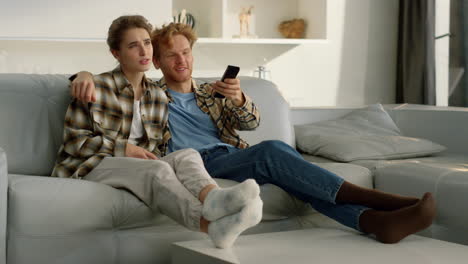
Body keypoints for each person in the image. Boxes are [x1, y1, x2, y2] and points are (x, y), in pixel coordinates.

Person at [71, 22, 437, 244]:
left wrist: (241, 96)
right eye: (170, 55)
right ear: (158, 61)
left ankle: (373, 221)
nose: (181, 60)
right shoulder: (151, 94)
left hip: (231, 157)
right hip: (197, 166)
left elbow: (250, 123)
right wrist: (82, 74)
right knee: (275, 151)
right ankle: (383, 201)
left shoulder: (212, 91)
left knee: (292, 175)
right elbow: (115, 80)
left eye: (186, 52)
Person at [52, 15, 263, 249]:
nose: (144, 51)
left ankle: (215, 199)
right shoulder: (95, 87)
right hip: (91, 165)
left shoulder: (158, 96)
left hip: (134, 167)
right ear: (116, 53)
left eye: (147, 43)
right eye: (133, 46)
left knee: (187, 154)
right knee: (157, 169)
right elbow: (74, 143)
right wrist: (124, 148)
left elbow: (160, 146)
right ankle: (209, 225)